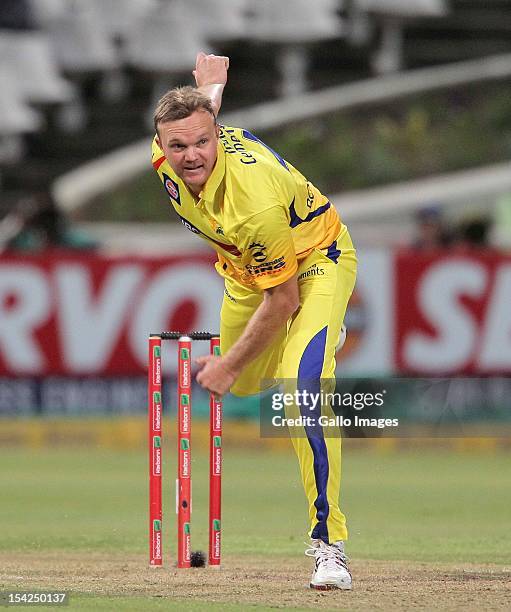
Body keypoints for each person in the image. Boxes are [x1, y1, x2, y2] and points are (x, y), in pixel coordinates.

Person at [151, 53, 357, 591]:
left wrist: (223, 364)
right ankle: (288, 350)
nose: (191, 155)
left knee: (298, 387)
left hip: (315, 267)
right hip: (248, 277)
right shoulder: (168, 151)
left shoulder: (253, 201)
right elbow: (195, 123)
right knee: (241, 384)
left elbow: (283, 299)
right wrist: (210, 89)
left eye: (202, 141)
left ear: (216, 136)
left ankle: (327, 544)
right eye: (179, 146)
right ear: (163, 144)